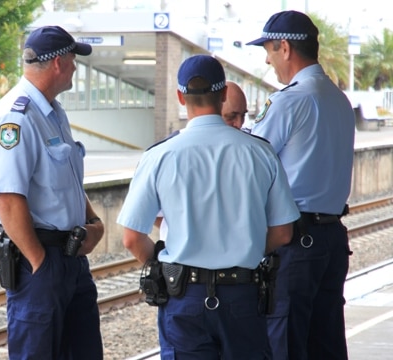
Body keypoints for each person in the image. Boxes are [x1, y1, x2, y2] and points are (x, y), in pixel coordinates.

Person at [117, 54, 300, 359]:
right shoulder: (260, 153)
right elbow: (283, 233)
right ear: (224, 94)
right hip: (244, 295)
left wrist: (165, 266)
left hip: (183, 299)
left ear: (180, 96)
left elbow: (131, 238)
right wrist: (248, 248)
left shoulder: (160, 156)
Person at [0, 25, 105, 359]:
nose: (76, 68)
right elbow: (7, 198)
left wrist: (93, 221)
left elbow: (65, 181)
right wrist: (39, 263)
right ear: (59, 64)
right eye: (74, 60)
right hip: (40, 260)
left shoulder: (53, 114)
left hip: (71, 257)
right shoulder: (17, 118)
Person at [246, 10, 355, 360]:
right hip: (332, 239)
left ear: (285, 48)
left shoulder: (290, 101)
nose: (267, 59)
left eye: (269, 49)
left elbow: (251, 163)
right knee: (326, 343)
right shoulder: (340, 101)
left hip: (295, 243)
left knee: (286, 344)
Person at [154, 80, 249, 238]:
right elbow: (152, 213)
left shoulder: (254, 152)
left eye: (243, 115)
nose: (239, 124)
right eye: (231, 117)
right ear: (215, 107)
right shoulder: (166, 154)